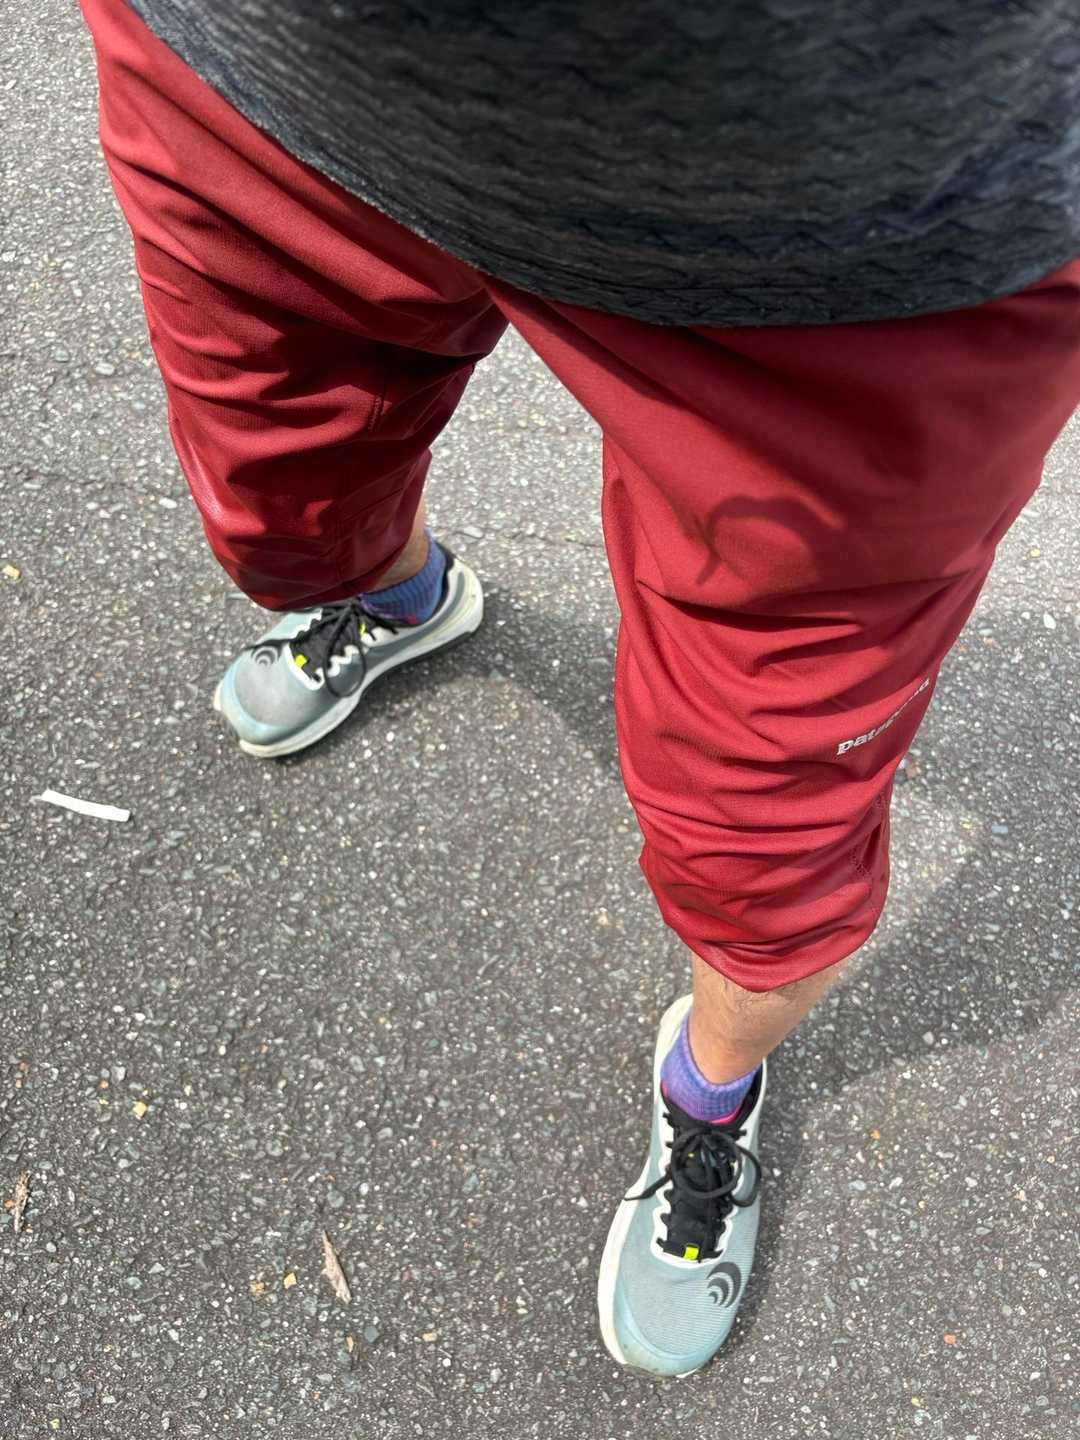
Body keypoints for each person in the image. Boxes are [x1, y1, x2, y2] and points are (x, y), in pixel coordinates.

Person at [80, 0, 1080, 1378]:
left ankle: (709, 1092)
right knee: (281, 517)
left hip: (882, 236)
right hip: (269, 78)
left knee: (767, 835)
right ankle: (400, 599)